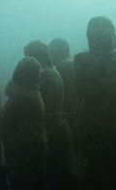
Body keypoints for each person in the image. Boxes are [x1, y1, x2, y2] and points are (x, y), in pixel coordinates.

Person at [74, 16, 116, 190]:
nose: (101, 32)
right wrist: (109, 79)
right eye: (97, 28)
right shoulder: (80, 58)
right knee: (92, 173)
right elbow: (81, 88)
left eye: (105, 28)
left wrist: (94, 77)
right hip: (91, 122)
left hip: (115, 120)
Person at [24, 40, 72, 190]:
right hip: (59, 127)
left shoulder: (42, 75)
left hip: (49, 131)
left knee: (50, 176)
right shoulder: (54, 71)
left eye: (29, 58)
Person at [1, 57, 48, 190]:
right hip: (36, 146)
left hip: (23, 151)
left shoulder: (22, 96)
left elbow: (5, 119)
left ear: (23, 74)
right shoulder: (34, 92)